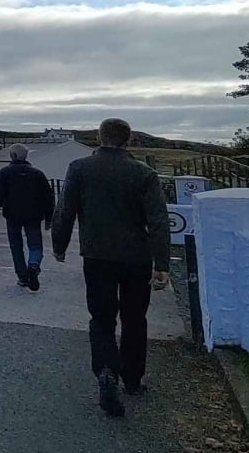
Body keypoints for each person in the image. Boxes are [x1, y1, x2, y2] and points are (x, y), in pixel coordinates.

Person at [52, 118, 170, 418]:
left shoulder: (80, 169)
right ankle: (132, 379)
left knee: (102, 318)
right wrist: (162, 264)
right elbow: (157, 220)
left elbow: (65, 209)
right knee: (134, 319)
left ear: (99, 138)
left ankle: (106, 370)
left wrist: (59, 245)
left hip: (97, 256)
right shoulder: (144, 173)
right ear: (127, 140)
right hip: (136, 258)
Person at [0, 144, 54, 291]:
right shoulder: (37, 174)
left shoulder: (4, 173)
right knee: (35, 245)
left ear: (12, 155)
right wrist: (49, 218)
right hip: (34, 215)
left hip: (12, 215)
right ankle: (34, 265)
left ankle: (23, 277)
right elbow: (48, 197)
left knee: (16, 246)